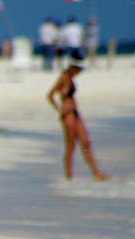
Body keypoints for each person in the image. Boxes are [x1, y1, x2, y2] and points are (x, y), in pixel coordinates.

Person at [46, 51, 110, 181]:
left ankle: (96, 172)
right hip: (68, 115)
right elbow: (50, 95)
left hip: (75, 113)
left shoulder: (71, 78)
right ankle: (69, 176)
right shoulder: (63, 78)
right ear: (74, 67)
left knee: (86, 142)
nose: (80, 72)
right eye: (79, 69)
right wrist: (59, 109)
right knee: (71, 146)